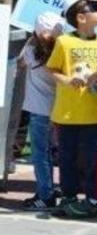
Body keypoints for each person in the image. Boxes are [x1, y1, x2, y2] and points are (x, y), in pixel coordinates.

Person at [47, 0, 97, 218]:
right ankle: (68, 198)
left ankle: (92, 199)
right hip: (67, 113)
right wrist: (67, 80)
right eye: (95, 8)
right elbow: (53, 70)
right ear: (80, 17)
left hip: (94, 114)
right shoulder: (64, 42)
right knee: (66, 158)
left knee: (91, 159)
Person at [20, 12, 64, 210]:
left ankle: (45, 195)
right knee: (55, 152)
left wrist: (32, 37)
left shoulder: (31, 52)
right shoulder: (60, 55)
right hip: (58, 109)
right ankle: (52, 189)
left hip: (39, 111)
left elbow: (21, 61)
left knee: (40, 154)